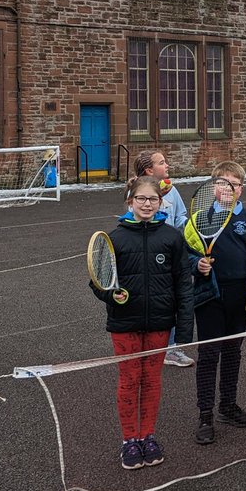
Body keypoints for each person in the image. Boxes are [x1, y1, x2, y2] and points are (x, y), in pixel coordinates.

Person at [90, 176, 193, 470]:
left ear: (161, 203)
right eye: (141, 199)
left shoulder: (172, 238)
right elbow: (97, 282)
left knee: (151, 380)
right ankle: (129, 440)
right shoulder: (116, 238)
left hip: (161, 323)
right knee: (129, 380)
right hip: (125, 323)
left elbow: (183, 285)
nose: (147, 204)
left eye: (153, 200)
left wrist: (184, 329)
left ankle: (148, 435)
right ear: (130, 201)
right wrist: (113, 295)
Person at [185, 161, 246, 444]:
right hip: (209, 297)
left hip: (239, 297)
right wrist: (196, 264)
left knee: (233, 353)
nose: (227, 188)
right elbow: (183, 256)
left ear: (241, 190)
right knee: (209, 356)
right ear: (213, 187)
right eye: (221, 183)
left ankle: (228, 405)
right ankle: (205, 415)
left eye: (233, 184)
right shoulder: (198, 219)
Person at [134, 149, 193, 368]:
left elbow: (181, 219)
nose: (167, 165)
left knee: (176, 300)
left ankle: (172, 348)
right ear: (149, 170)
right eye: (162, 162)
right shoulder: (138, 192)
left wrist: (187, 233)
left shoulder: (172, 190)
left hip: (172, 254)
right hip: (147, 255)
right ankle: (150, 346)